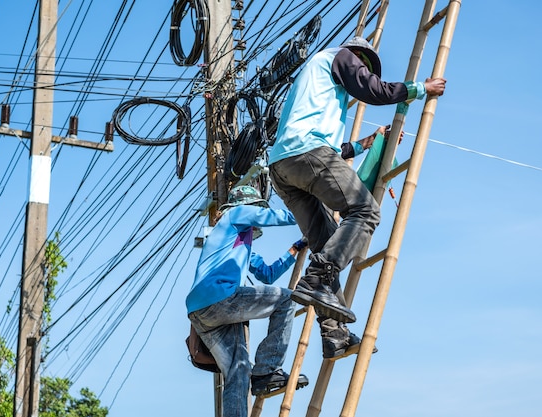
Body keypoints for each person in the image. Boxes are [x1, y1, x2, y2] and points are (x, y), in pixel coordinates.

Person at [268, 36, 447, 358]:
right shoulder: (341, 57)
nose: (363, 71)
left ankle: (334, 335)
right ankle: (317, 281)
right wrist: (420, 88)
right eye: (364, 66)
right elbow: (372, 90)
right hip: (308, 153)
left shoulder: (314, 88)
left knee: (325, 244)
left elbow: (335, 152)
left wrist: (368, 143)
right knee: (364, 211)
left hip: (284, 166)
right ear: (358, 56)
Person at [186, 185, 308, 417]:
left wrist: (294, 250)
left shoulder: (238, 243)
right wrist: (309, 212)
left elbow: (266, 274)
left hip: (200, 311)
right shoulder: (234, 214)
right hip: (220, 298)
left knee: (238, 371)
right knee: (286, 300)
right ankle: (267, 370)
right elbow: (272, 216)